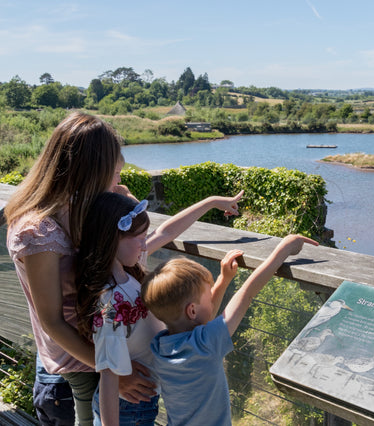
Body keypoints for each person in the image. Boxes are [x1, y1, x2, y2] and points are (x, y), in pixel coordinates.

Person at [4, 112, 155, 425]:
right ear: (89, 171)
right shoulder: (39, 232)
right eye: (113, 173)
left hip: (99, 355)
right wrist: (114, 374)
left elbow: (129, 259)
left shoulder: (80, 210)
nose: (118, 181)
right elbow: (52, 321)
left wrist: (120, 210)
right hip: (78, 367)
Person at [75, 189, 244, 426]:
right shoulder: (110, 302)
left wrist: (211, 201)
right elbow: (108, 376)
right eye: (140, 238)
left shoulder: (130, 274)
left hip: (139, 404)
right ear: (113, 239)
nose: (145, 245)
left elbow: (167, 231)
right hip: (127, 409)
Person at [141, 234, 319, 425]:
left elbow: (200, 322)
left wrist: (223, 280)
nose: (212, 298)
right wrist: (284, 249)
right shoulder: (206, 344)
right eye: (209, 296)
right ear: (192, 310)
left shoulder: (161, 347)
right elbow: (247, 292)